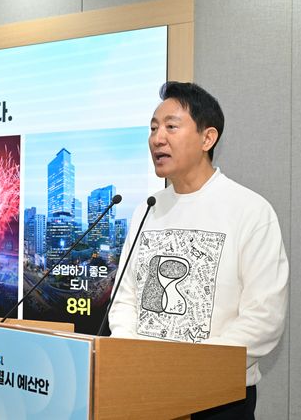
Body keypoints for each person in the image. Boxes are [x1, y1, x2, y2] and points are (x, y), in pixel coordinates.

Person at [108, 81, 289, 420]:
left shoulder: (250, 210)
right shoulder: (148, 208)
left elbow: (264, 318)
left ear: (208, 138)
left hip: (218, 399)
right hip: (142, 389)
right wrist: (128, 355)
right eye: (153, 128)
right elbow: (125, 297)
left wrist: (187, 370)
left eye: (171, 127)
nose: (157, 138)